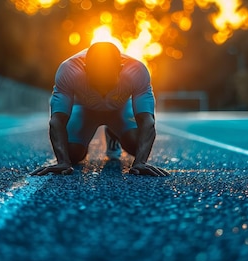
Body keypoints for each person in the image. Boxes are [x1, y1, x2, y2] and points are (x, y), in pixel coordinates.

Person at [30, 42, 169, 177]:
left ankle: (113, 134)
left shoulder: (136, 71)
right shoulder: (69, 70)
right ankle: (92, 139)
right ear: (85, 69)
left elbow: (147, 121)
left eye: (108, 83)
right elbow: (57, 121)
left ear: (120, 69)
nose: (103, 91)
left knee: (136, 145)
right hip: (86, 110)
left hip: (118, 110)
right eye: (97, 83)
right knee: (72, 154)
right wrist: (63, 161)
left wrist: (140, 162)